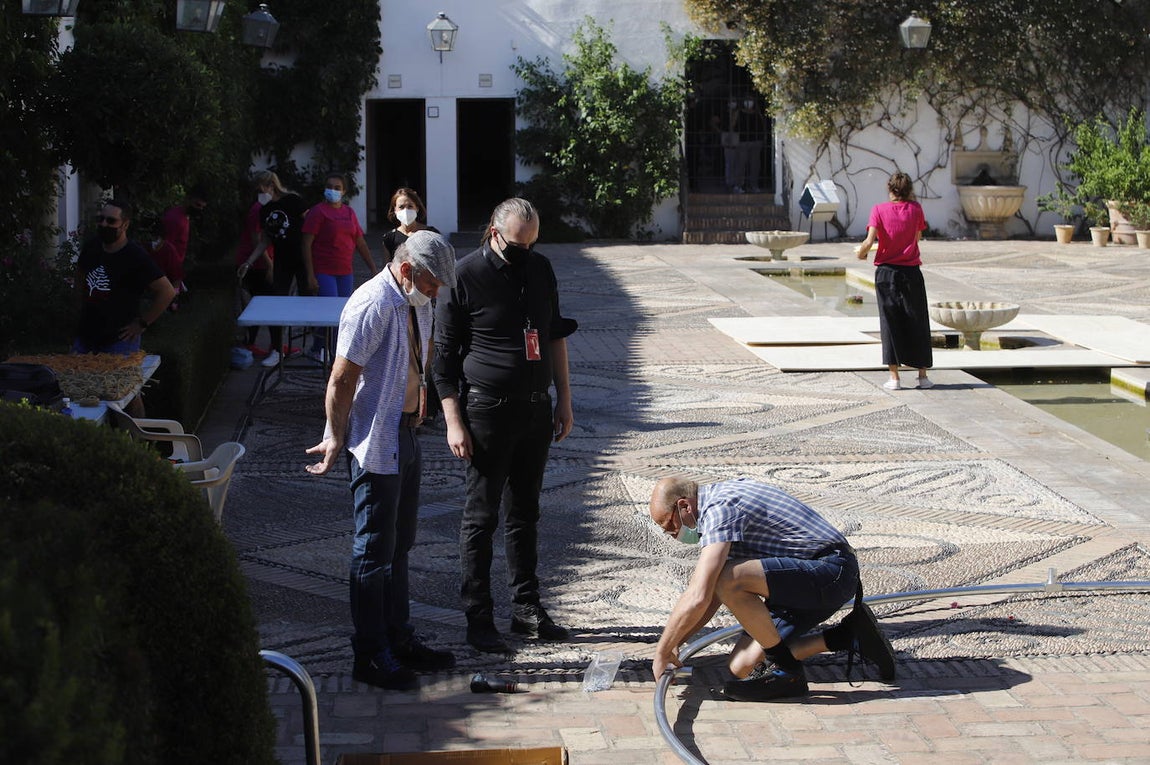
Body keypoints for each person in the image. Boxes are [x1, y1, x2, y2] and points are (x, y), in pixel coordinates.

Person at [304, 230, 458, 690]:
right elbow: (341, 378)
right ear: (407, 270)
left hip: (407, 434)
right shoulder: (372, 304)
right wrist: (334, 435)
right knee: (373, 551)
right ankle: (370, 655)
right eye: (431, 283)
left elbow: (420, 358)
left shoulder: (419, 302)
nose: (435, 293)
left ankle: (398, 637)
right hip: (375, 441)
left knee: (400, 545)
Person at [433, 197, 576, 654]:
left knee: (525, 513)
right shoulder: (465, 275)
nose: (525, 252)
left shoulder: (540, 269)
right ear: (494, 232)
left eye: (532, 244)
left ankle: (526, 608)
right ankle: (479, 616)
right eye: (518, 244)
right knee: (481, 517)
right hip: (486, 412)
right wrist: (453, 420)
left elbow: (553, 334)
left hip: (535, 408)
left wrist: (564, 400)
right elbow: (443, 360)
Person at [648, 476, 896, 702]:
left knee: (728, 578)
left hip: (831, 571)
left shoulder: (720, 509)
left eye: (669, 525)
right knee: (742, 667)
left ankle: (788, 672)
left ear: (684, 506)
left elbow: (698, 594)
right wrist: (676, 641)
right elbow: (709, 598)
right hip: (800, 580)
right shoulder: (715, 506)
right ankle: (850, 635)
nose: (670, 534)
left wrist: (662, 651)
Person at [74, 199, 177, 416]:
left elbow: (166, 291)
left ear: (125, 225)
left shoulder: (135, 256)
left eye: (111, 220)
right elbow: (80, 276)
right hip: (87, 334)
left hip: (119, 339)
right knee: (79, 392)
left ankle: (137, 443)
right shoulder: (92, 246)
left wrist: (142, 322)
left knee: (125, 395)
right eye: (101, 219)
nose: (104, 224)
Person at [856, 171, 933, 390]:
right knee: (917, 319)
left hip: (886, 272)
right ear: (909, 190)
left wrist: (861, 254)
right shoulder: (916, 209)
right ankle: (923, 376)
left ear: (890, 189)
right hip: (911, 272)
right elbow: (916, 237)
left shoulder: (878, 210)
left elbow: (870, 241)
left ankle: (894, 378)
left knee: (889, 321)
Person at [302, 172, 378, 362]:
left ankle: (326, 349)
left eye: (337, 188)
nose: (333, 191)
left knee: (343, 314)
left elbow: (359, 242)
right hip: (324, 270)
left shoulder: (349, 213)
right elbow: (306, 244)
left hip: (345, 271)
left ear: (344, 191)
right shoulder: (318, 212)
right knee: (330, 314)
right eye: (330, 186)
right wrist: (310, 275)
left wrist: (373, 268)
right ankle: (327, 351)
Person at [239, 170, 311, 367]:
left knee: (311, 300)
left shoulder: (293, 200)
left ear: (271, 185)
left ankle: (318, 347)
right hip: (282, 261)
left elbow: (311, 227)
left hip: (303, 258)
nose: (259, 193)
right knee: (277, 303)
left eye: (261, 189)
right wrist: (249, 262)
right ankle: (278, 349)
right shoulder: (264, 210)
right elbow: (265, 240)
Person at [235, 185, 275, 361]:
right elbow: (257, 240)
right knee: (262, 304)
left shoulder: (262, 209)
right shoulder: (258, 210)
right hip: (257, 265)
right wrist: (269, 266)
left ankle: (261, 343)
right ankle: (257, 343)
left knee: (259, 303)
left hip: (258, 263)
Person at [159, 184, 208, 308]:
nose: (199, 209)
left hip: (176, 267)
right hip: (170, 269)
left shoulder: (184, 217)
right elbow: (167, 247)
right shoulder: (175, 219)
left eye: (202, 207)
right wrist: (175, 274)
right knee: (169, 300)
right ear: (188, 199)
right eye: (197, 205)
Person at [381, 188, 438, 263]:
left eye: (410, 206)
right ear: (395, 210)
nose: (405, 211)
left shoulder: (431, 234)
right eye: (401, 207)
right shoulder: (389, 238)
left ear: (417, 208)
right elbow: (387, 269)